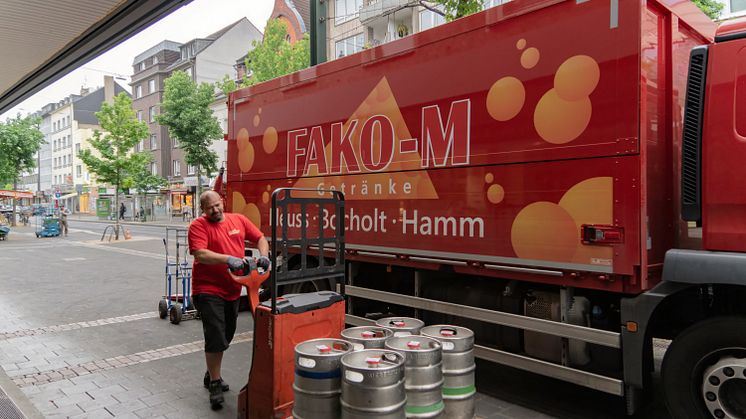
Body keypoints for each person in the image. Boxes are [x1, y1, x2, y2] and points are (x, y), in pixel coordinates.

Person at [188, 190, 269, 410]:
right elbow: (200, 254)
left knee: (227, 334)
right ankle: (215, 383)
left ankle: (210, 372)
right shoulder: (198, 226)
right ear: (203, 210)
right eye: (209, 207)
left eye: (217, 205)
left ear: (222, 202)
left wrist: (264, 255)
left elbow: (260, 237)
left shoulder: (238, 220)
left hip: (234, 289)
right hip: (207, 290)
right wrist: (229, 259)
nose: (215, 210)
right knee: (215, 334)